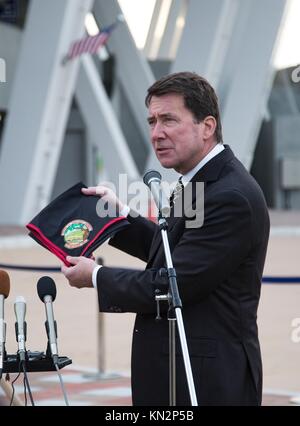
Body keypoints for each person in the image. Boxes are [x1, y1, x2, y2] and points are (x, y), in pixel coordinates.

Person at [61, 71, 270, 406]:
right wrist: (117, 217)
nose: (156, 133)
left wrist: (97, 277)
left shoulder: (231, 195)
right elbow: (168, 251)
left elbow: (174, 284)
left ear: (207, 126)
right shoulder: (197, 180)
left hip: (205, 380)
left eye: (169, 120)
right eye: (152, 121)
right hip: (178, 371)